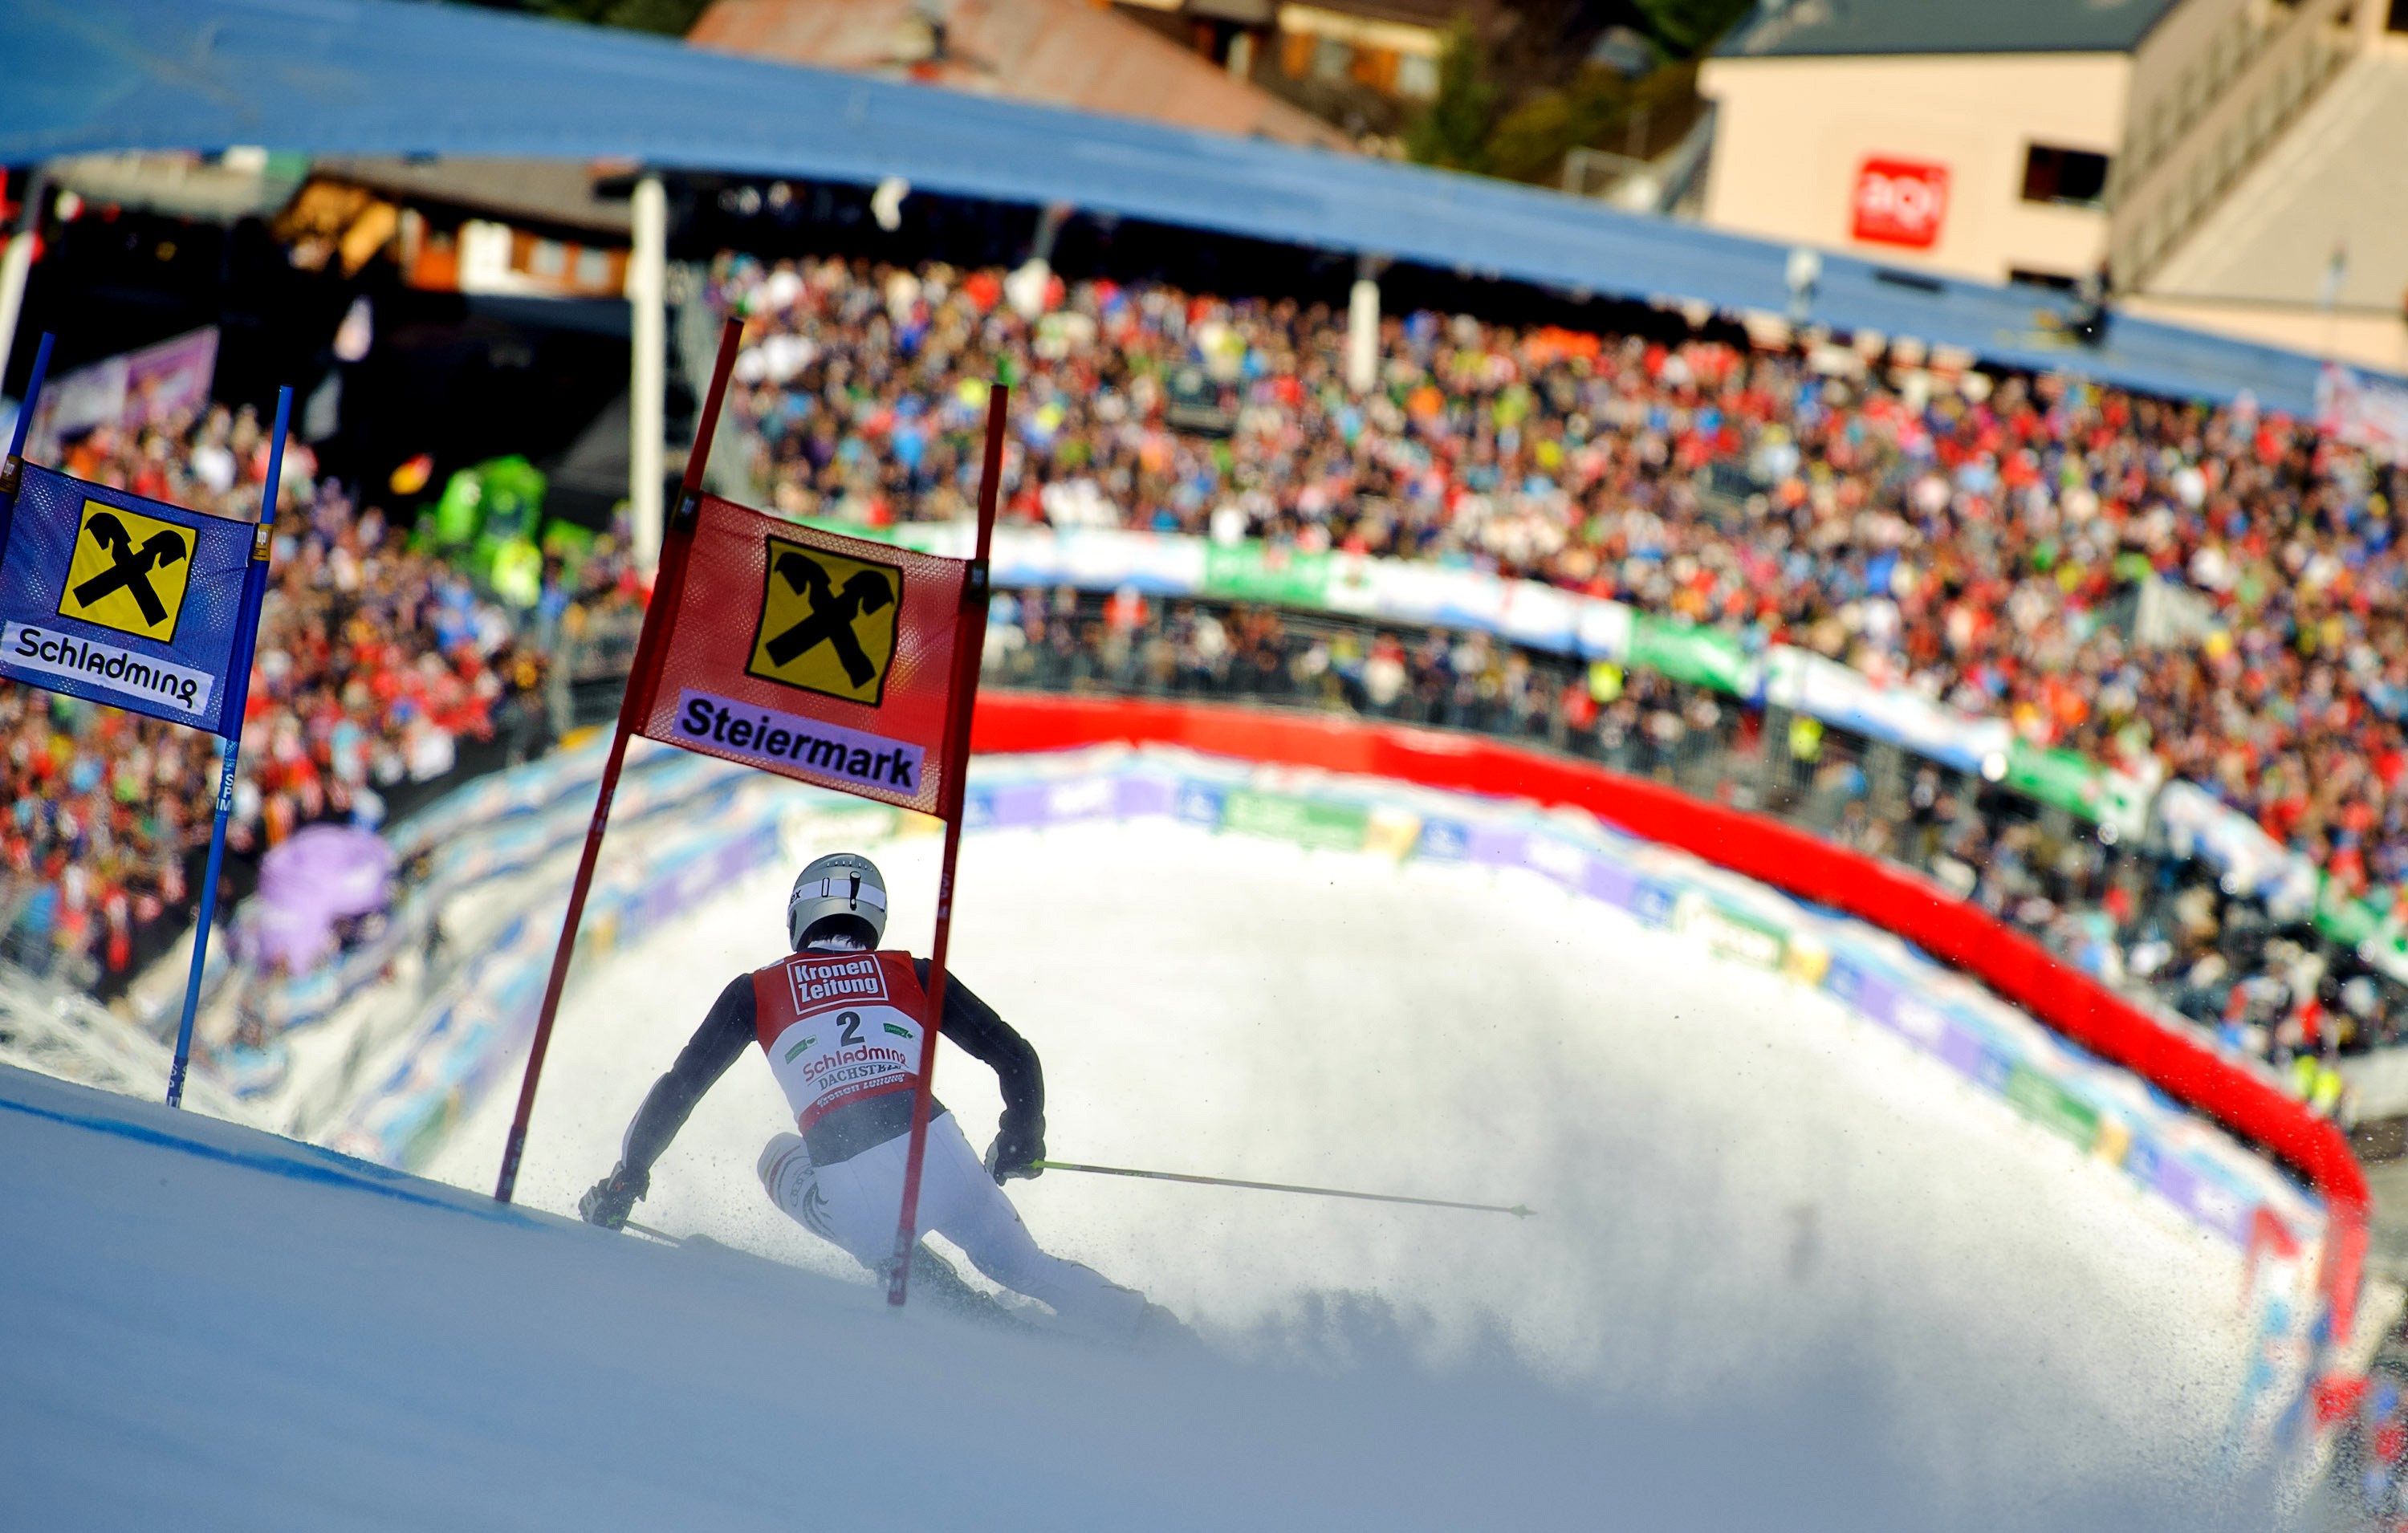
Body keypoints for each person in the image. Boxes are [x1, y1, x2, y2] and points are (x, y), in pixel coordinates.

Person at [579, 852, 1160, 1340]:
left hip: (850, 1175)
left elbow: (680, 1087)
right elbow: (1017, 1056)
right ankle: (1154, 1331)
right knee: (1030, 1267)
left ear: (800, 917)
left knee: (777, 1157)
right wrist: (1020, 1139)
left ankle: (931, 1287)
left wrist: (626, 1177)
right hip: (941, 1149)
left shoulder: (754, 991)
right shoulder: (914, 973)